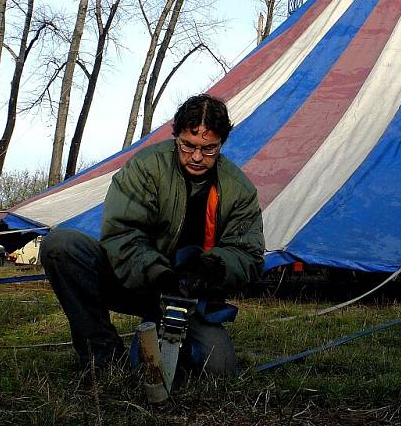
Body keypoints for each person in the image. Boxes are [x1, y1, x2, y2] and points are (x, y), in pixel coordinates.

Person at [40, 94, 265, 376]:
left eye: (209, 149)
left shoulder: (239, 189)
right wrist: (159, 275)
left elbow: (249, 255)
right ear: (176, 137)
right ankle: (102, 356)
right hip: (139, 282)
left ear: (222, 143)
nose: (197, 157)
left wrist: (212, 268)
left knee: (219, 369)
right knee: (60, 246)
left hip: (191, 297)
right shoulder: (146, 166)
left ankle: (173, 342)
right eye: (188, 146)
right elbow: (123, 233)